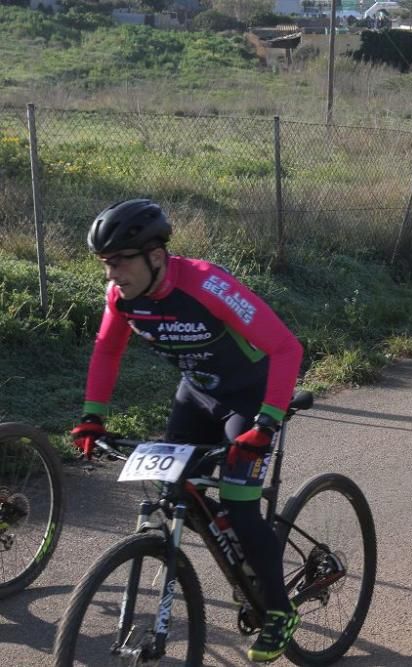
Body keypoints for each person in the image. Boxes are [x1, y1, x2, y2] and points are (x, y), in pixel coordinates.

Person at [71, 199, 305, 663]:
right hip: (197, 395)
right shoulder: (122, 296)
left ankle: (278, 610)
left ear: (155, 256)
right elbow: (106, 350)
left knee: (239, 504)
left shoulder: (207, 284)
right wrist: (93, 416)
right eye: (105, 264)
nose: (111, 274)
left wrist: (267, 422)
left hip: (250, 399)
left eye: (119, 262)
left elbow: (285, 348)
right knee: (172, 488)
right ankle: (235, 550)